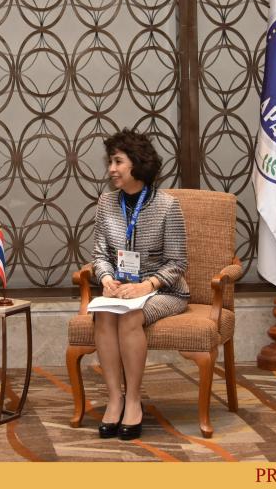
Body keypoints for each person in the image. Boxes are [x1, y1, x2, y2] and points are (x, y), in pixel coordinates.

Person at [92, 129, 189, 440]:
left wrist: (146, 286)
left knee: (130, 316)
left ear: (138, 163)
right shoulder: (107, 203)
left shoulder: (167, 205)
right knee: (104, 313)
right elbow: (99, 254)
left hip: (164, 291)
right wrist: (106, 278)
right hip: (121, 290)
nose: (111, 169)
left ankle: (133, 400)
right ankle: (115, 399)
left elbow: (177, 263)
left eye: (118, 161)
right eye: (110, 162)